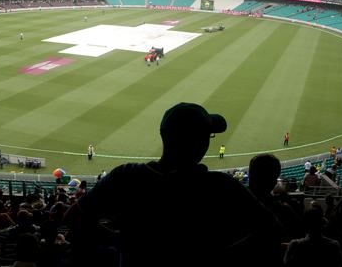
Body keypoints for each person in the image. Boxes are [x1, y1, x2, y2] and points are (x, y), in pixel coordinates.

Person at [65, 102, 283, 266]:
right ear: (202, 142)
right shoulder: (221, 186)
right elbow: (271, 230)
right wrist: (222, 256)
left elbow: (74, 217)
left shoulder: (126, 176)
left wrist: (120, 240)